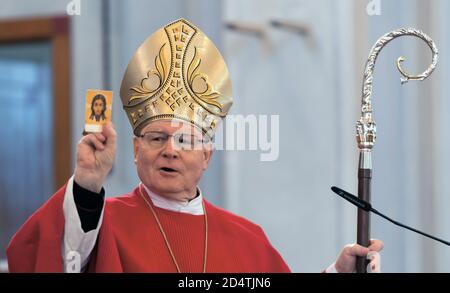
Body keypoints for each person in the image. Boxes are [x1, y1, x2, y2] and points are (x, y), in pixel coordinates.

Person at [6, 18, 383, 273]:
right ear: (136, 150)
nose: (170, 149)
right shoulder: (102, 224)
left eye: (185, 140)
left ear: (206, 156)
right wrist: (87, 183)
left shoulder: (246, 238)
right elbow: (40, 259)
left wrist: (339, 271)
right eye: (156, 138)